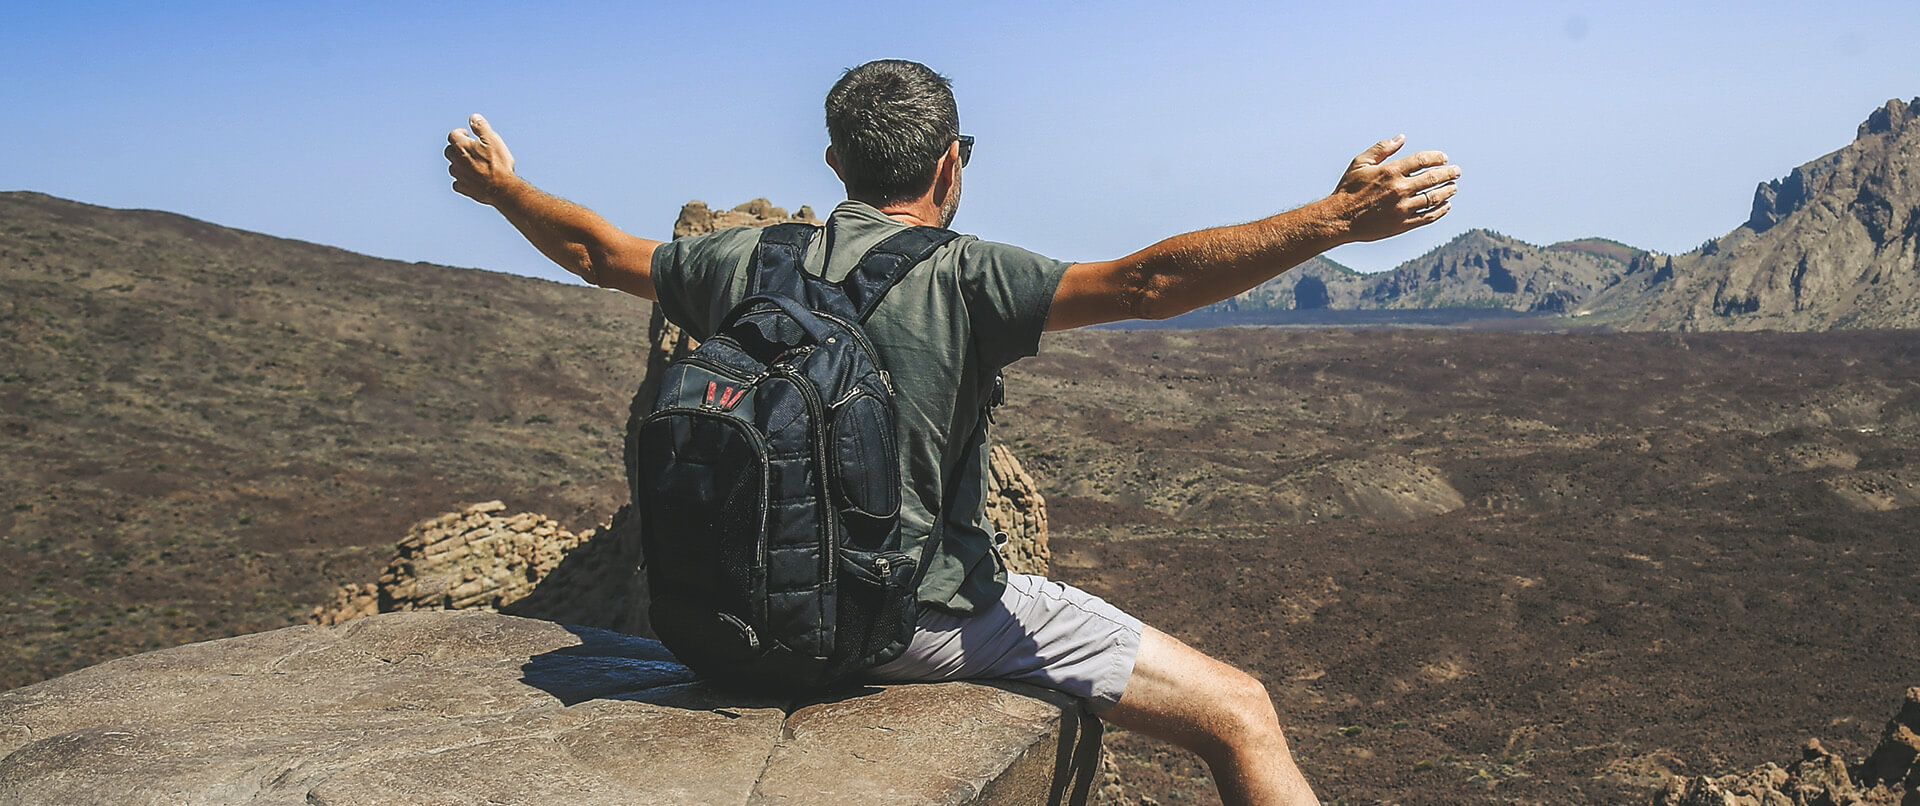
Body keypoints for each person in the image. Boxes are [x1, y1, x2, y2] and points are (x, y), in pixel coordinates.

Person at [445, 59, 1458, 806]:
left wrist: (501, 190)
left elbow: (592, 249)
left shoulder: (738, 258)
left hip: (737, 628)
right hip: (919, 625)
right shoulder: (968, 275)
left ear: (836, 161)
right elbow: (1149, 282)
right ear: (950, 163)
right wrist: (1333, 220)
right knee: (1240, 711)